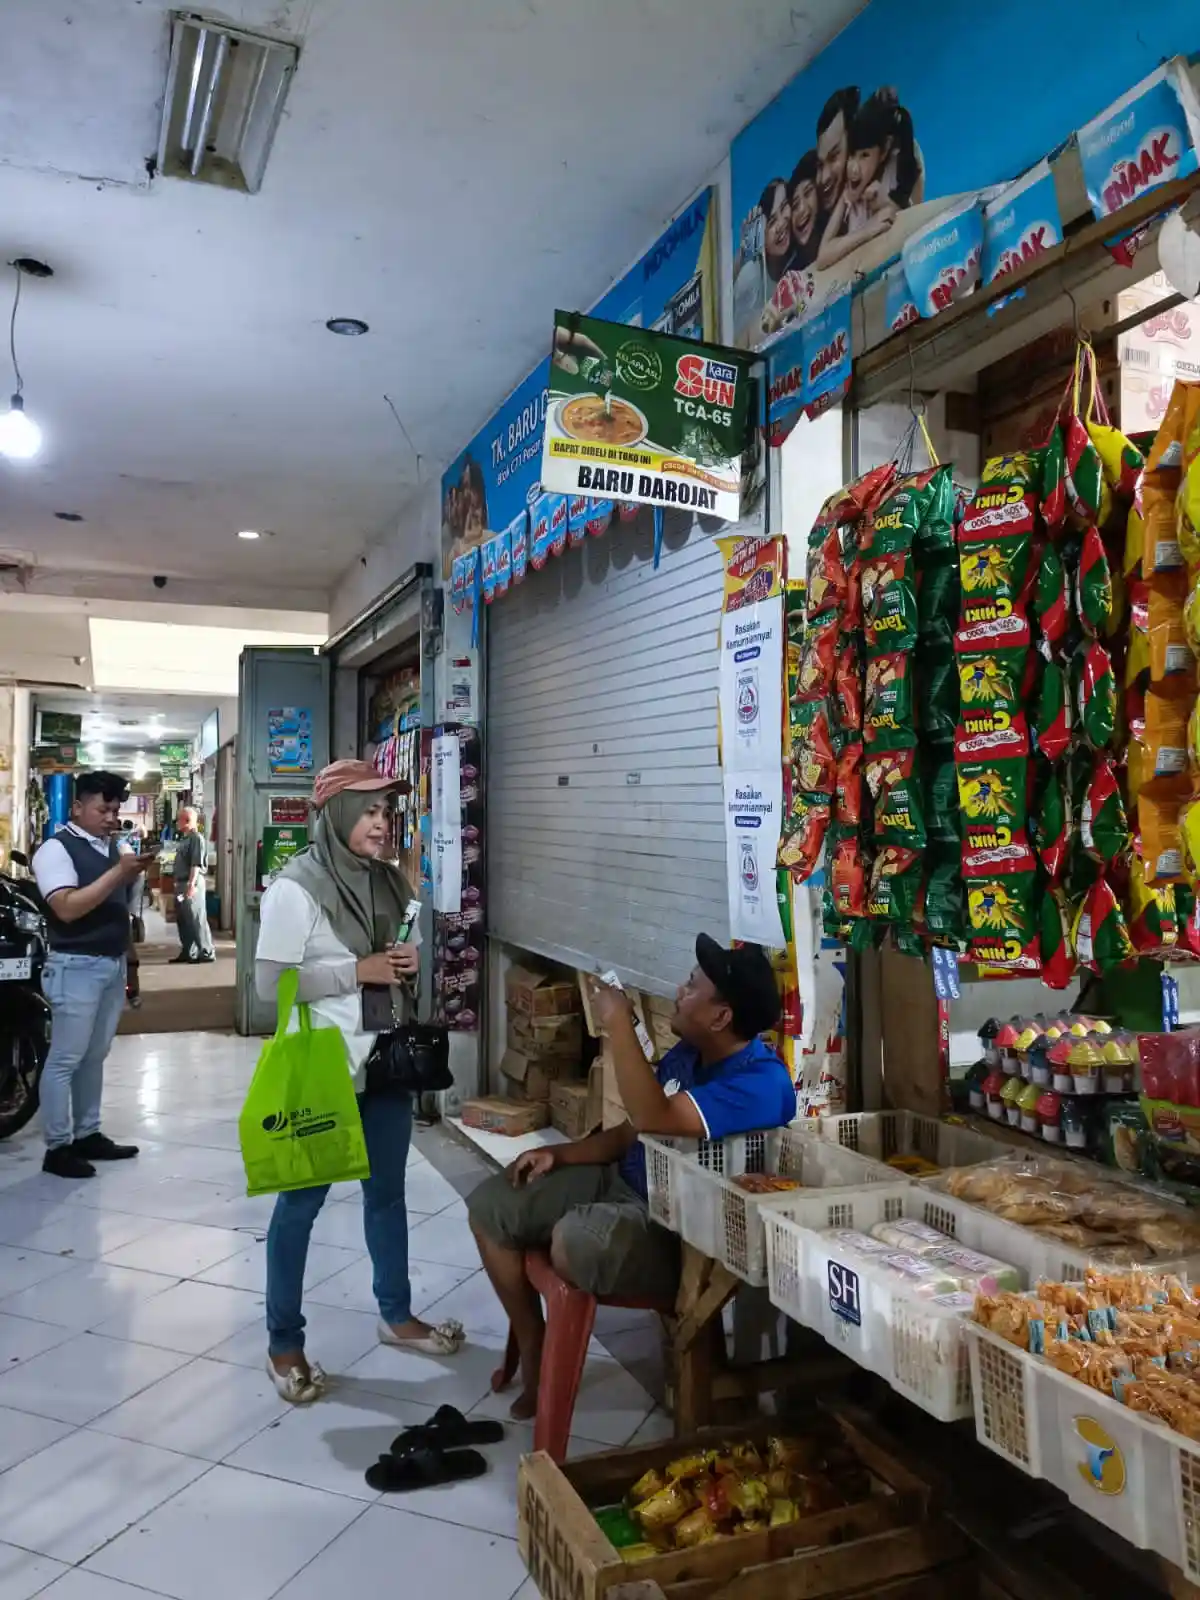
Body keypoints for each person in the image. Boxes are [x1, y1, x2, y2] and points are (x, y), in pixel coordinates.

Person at [467, 935, 794, 1421]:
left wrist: (618, 1021)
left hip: (682, 1236)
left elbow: (653, 1113)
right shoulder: (688, 1055)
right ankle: (532, 1343)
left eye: (691, 986)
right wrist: (561, 1154)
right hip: (625, 1182)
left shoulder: (760, 1083)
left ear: (721, 1017)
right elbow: (629, 1132)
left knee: (573, 1240)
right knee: (492, 1205)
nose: (679, 992)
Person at [254, 759, 465, 1404]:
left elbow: (395, 967)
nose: (381, 823)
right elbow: (270, 986)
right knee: (301, 1205)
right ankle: (284, 1342)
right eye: (369, 811)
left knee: (387, 1194)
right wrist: (359, 970)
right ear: (338, 813)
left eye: (386, 811)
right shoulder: (296, 888)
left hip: (385, 1064)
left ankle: (395, 1315)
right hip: (322, 1068)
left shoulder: (387, 883)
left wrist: (404, 963)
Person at [32, 770, 149, 1178]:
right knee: (65, 1058)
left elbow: (118, 911)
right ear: (77, 807)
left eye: (116, 810)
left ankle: (87, 1133)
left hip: (110, 964)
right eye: (103, 809)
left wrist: (130, 962)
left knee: (94, 1056)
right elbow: (66, 907)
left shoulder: (111, 849)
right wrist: (119, 873)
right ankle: (57, 1146)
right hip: (74, 966)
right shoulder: (55, 850)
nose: (111, 817)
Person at [815, 88, 919, 271]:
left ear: (884, 151)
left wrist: (884, 204)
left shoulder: (891, 177)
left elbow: (899, 218)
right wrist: (866, 231)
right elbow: (823, 257)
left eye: (864, 156)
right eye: (851, 156)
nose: (853, 168)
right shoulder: (849, 193)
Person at [172, 806, 213, 964]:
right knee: (183, 918)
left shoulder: (196, 838)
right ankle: (189, 951)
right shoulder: (185, 839)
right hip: (181, 884)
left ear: (187, 820)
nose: (177, 822)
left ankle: (206, 951)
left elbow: (195, 864)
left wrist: (191, 885)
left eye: (179, 819)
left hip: (191, 883)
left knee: (195, 917)